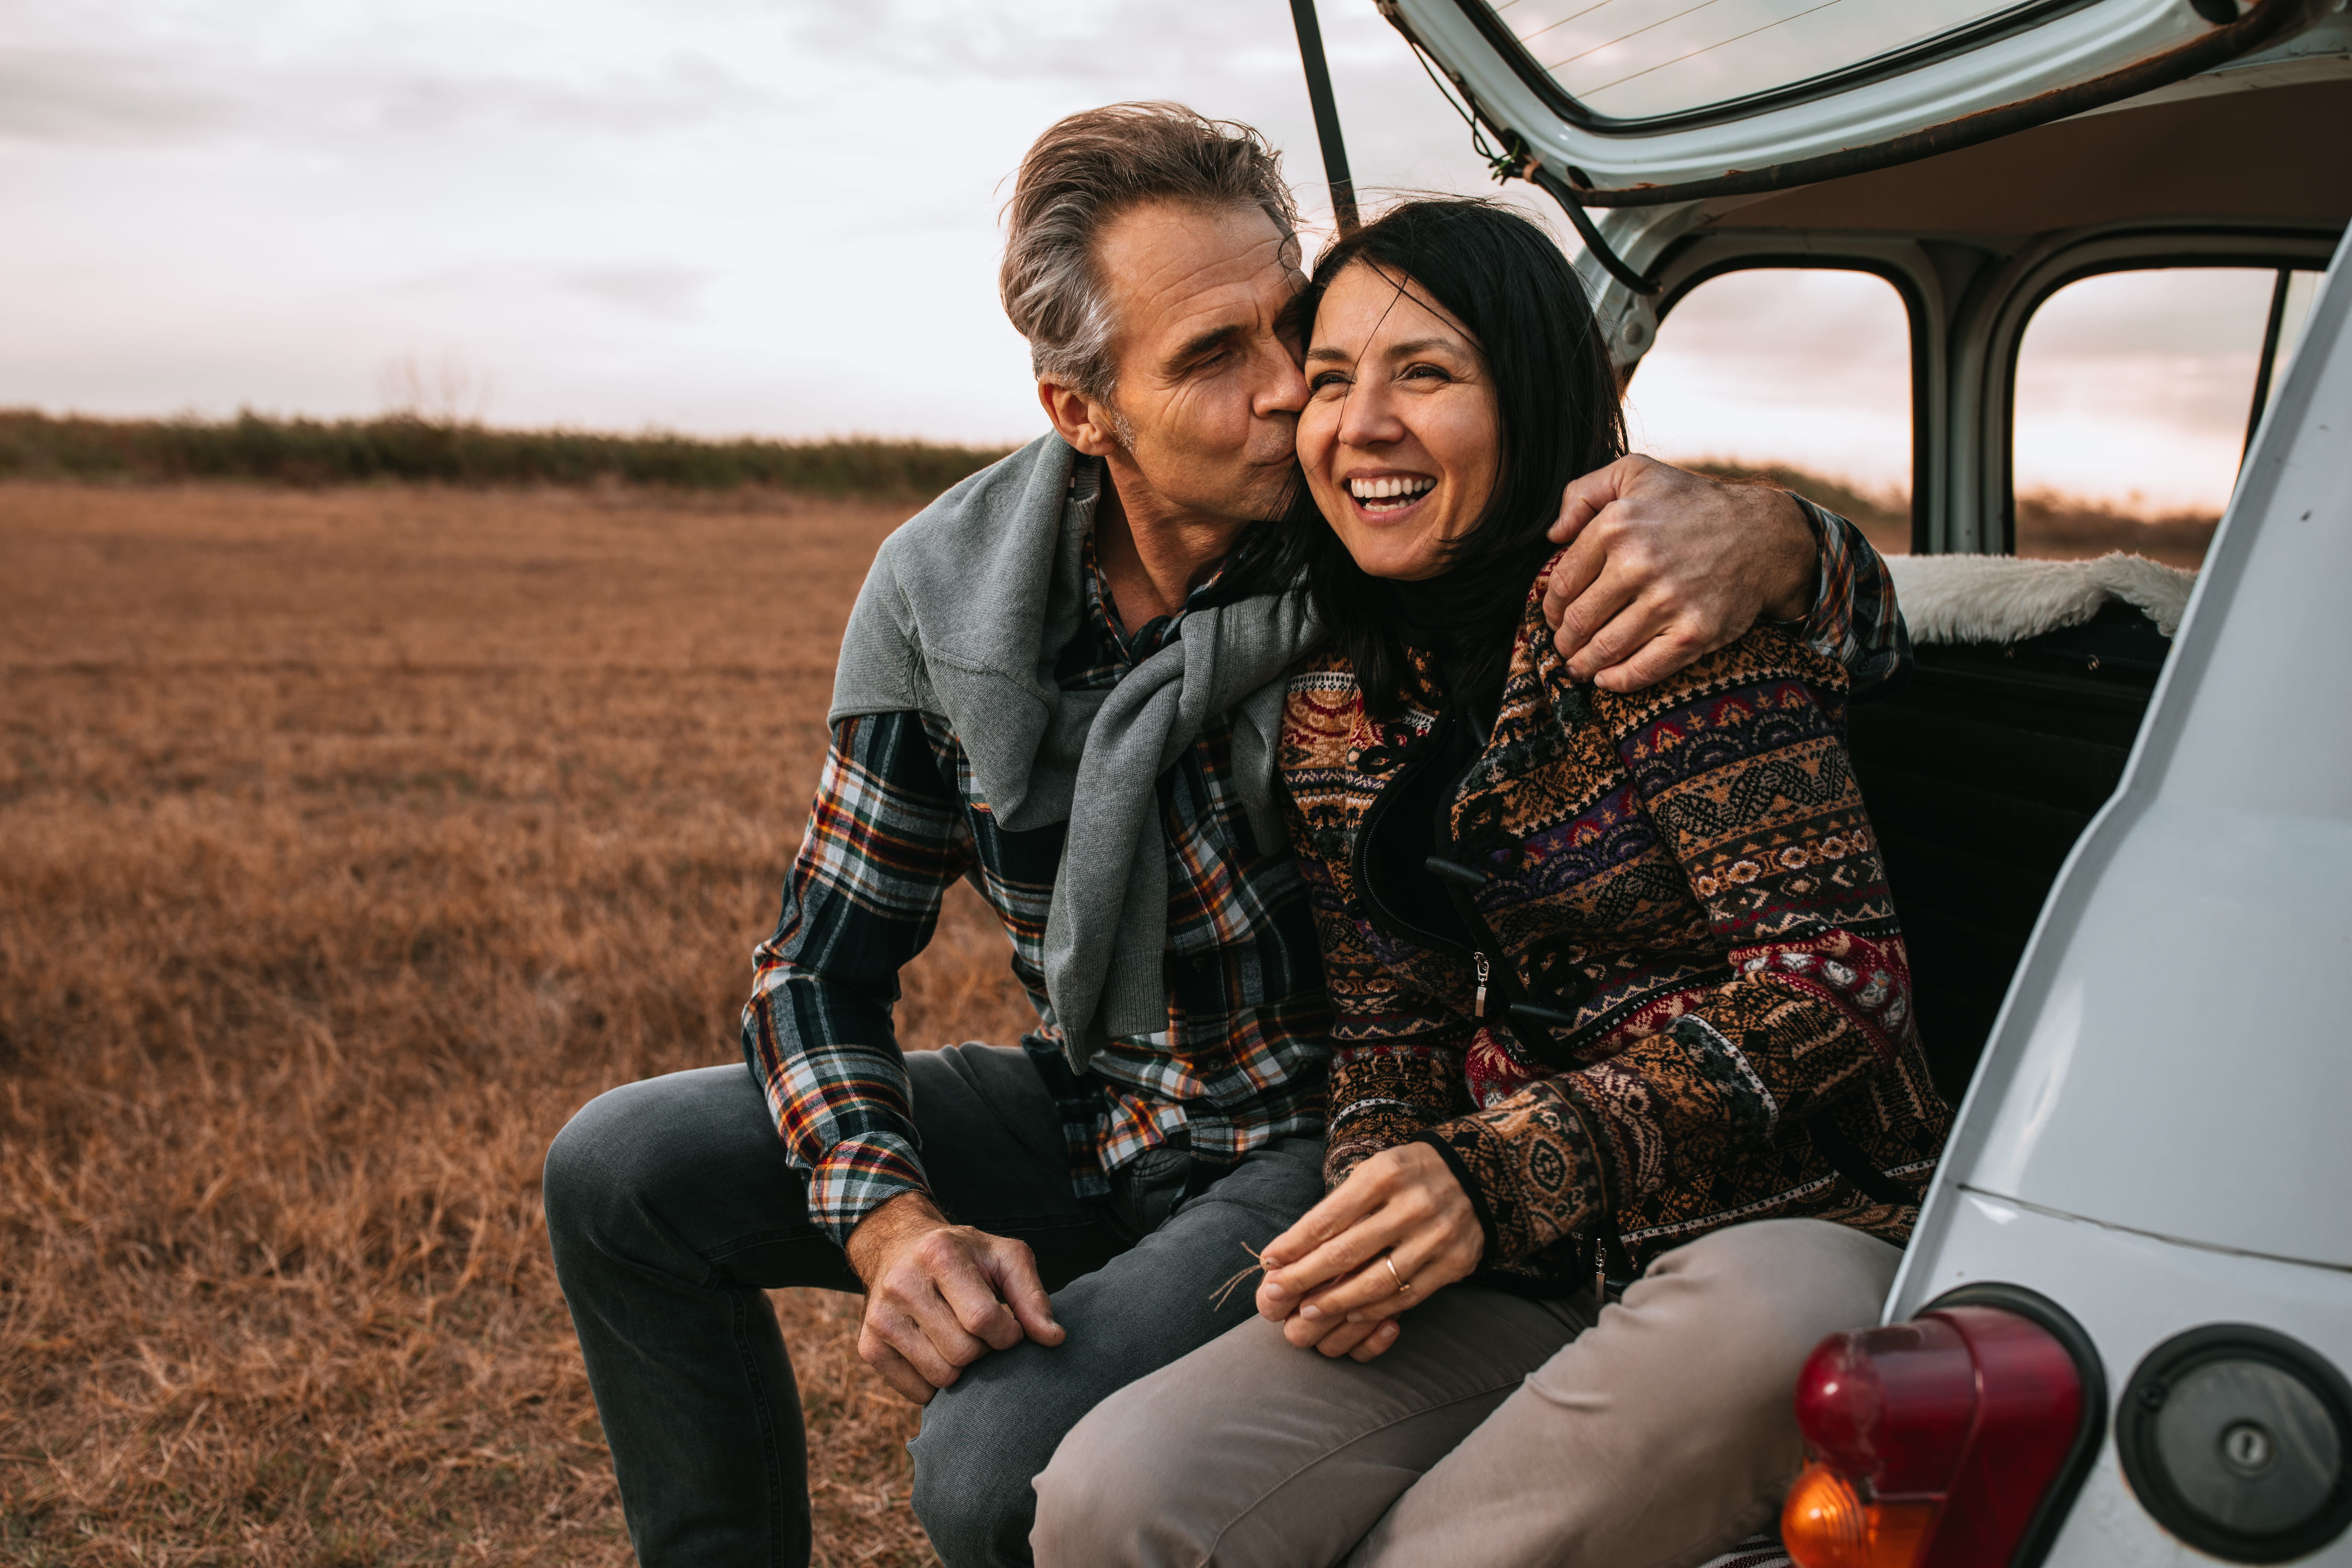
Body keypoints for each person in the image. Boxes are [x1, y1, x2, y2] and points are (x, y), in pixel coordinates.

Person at [541, 107, 1913, 1568]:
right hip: (1108, 1096)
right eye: (1221, 359)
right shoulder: (953, 592)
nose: (1296, 403)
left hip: (1300, 1134)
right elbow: (819, 962)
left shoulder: (1375, 543)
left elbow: (1649, 583)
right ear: (1082, 410)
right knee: (621, 1168)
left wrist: (1785, 537)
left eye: (1295, 334)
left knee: (994, 1463)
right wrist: (890, 1222)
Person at [1029, 200, 1950, 1568]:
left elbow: (1835, 991)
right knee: (1117, 1496)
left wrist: (1501, 1172)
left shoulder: (1663, 608)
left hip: (1788, 1237)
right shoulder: (1340, 698)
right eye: (1331, 381)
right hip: (1523, 1264)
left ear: (1532, 395)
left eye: (1428, 373)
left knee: (1499, 1514)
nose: (1362, 423)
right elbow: (1389, 1022)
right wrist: (1382, 1200)